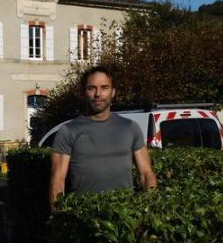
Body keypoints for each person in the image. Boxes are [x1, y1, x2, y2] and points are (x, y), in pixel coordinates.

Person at [49, 66, 157, 210]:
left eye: (104, 87)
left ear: (113, 92)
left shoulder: (131, 128)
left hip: (125, 216)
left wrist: (151, 208)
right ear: (84, 92)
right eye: (91, 88)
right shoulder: (68, 131)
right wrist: (59, 218)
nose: (98, 94)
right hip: (84, 216)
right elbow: (58, 180)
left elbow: (146, 173)